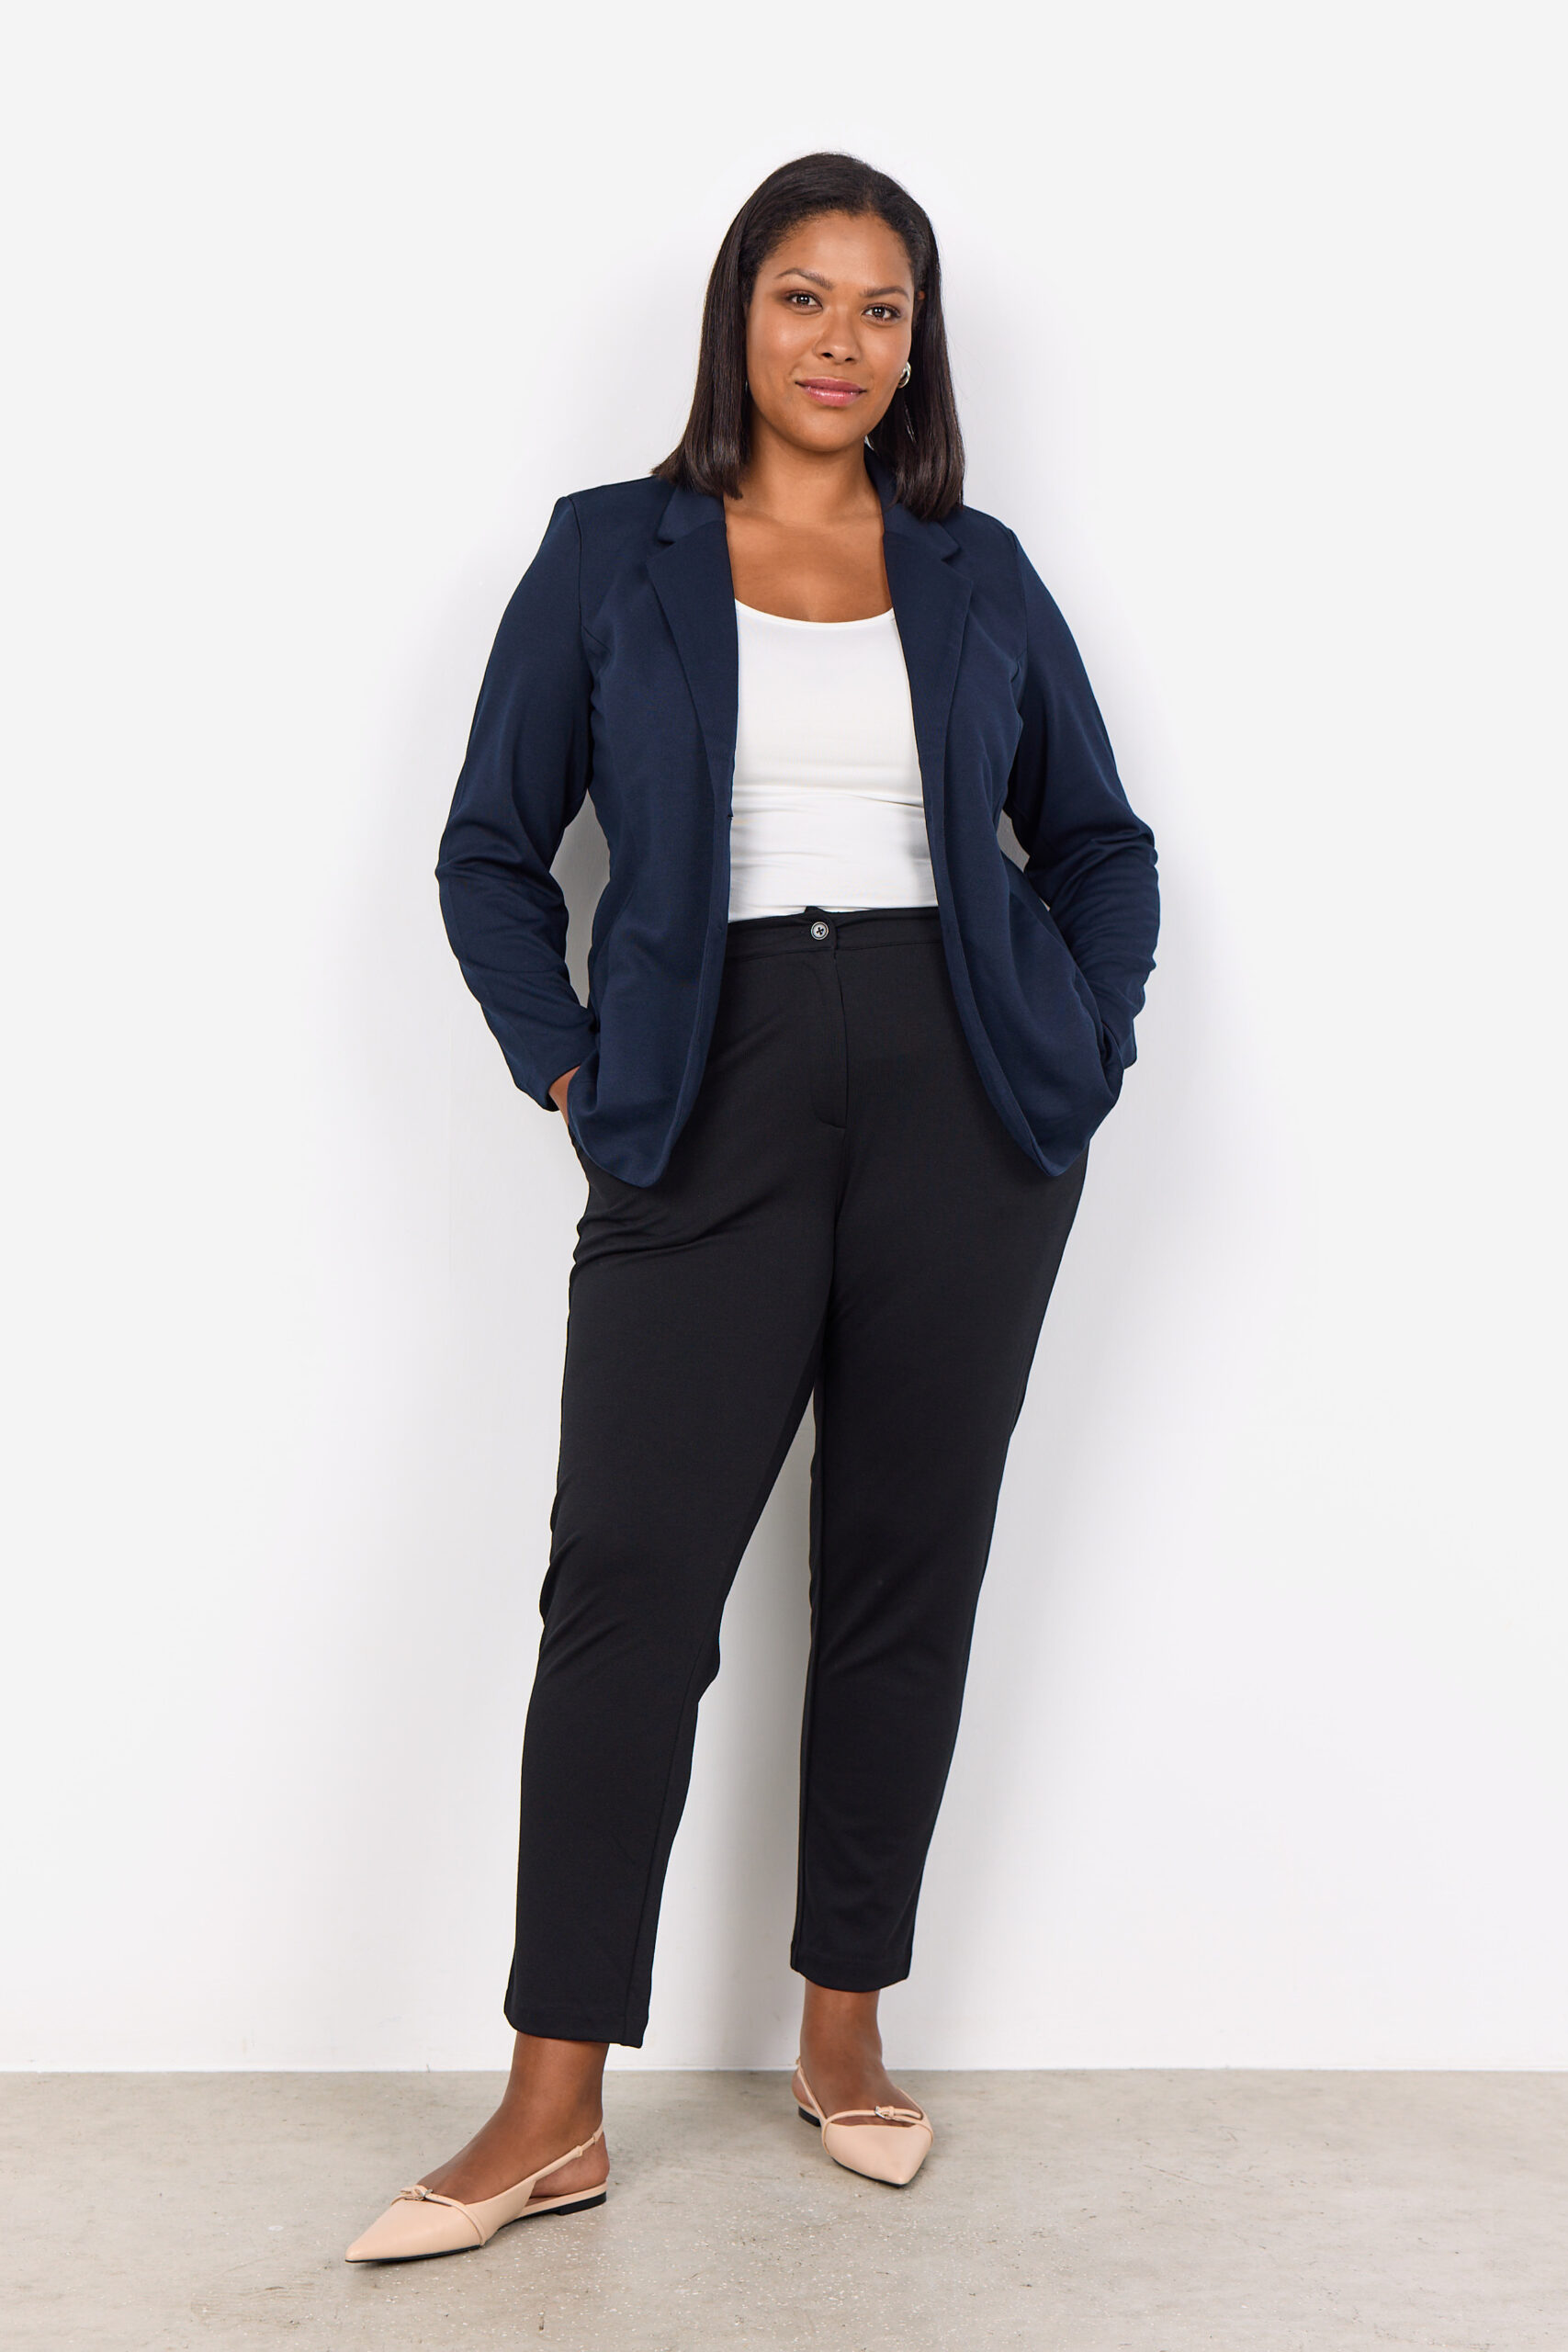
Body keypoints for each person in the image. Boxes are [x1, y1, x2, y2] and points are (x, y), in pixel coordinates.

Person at [346, 150, 1159, 2264]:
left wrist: (1082, 1046)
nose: (839, 341)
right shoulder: (606, 553)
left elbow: (1093, 838)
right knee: (625, 1580)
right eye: (803, 297)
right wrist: (565, 1059)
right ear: (737, 317)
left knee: (902, 1569)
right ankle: (549, 2102)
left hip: (966, 1098)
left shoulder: (972, 569)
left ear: (914, 348)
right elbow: (489, 849)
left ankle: (842, 2027)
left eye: (881, 309)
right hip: (699, 1090)